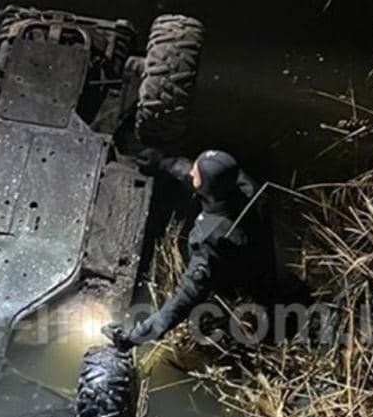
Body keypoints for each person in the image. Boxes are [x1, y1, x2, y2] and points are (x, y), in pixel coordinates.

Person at [106, 148, 277, 350]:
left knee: (227, 297)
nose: (191, 172)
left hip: (239, 276)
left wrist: (136, 336)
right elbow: (203, 179)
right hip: (261, 255)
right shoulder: (245, 186)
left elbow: (185, 298)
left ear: (206, 189)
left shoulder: (213, 239)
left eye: (195, 173)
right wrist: (164, 163)